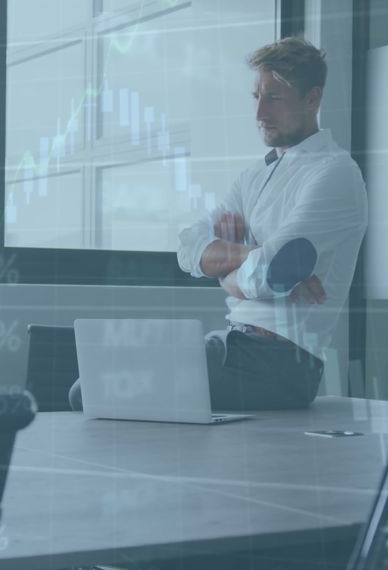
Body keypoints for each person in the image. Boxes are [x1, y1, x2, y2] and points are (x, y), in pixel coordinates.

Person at [70, 37, 366, 411]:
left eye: (274, 98)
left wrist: (227, 275)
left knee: (93, 391)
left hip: (279, 364)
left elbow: (271, 274)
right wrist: (255, 255)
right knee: (89, 384)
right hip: (233, 343)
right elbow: (189, 247)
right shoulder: (253, 178)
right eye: (256, 97)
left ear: (312, 98)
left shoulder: (334, 173)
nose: (260, 113)